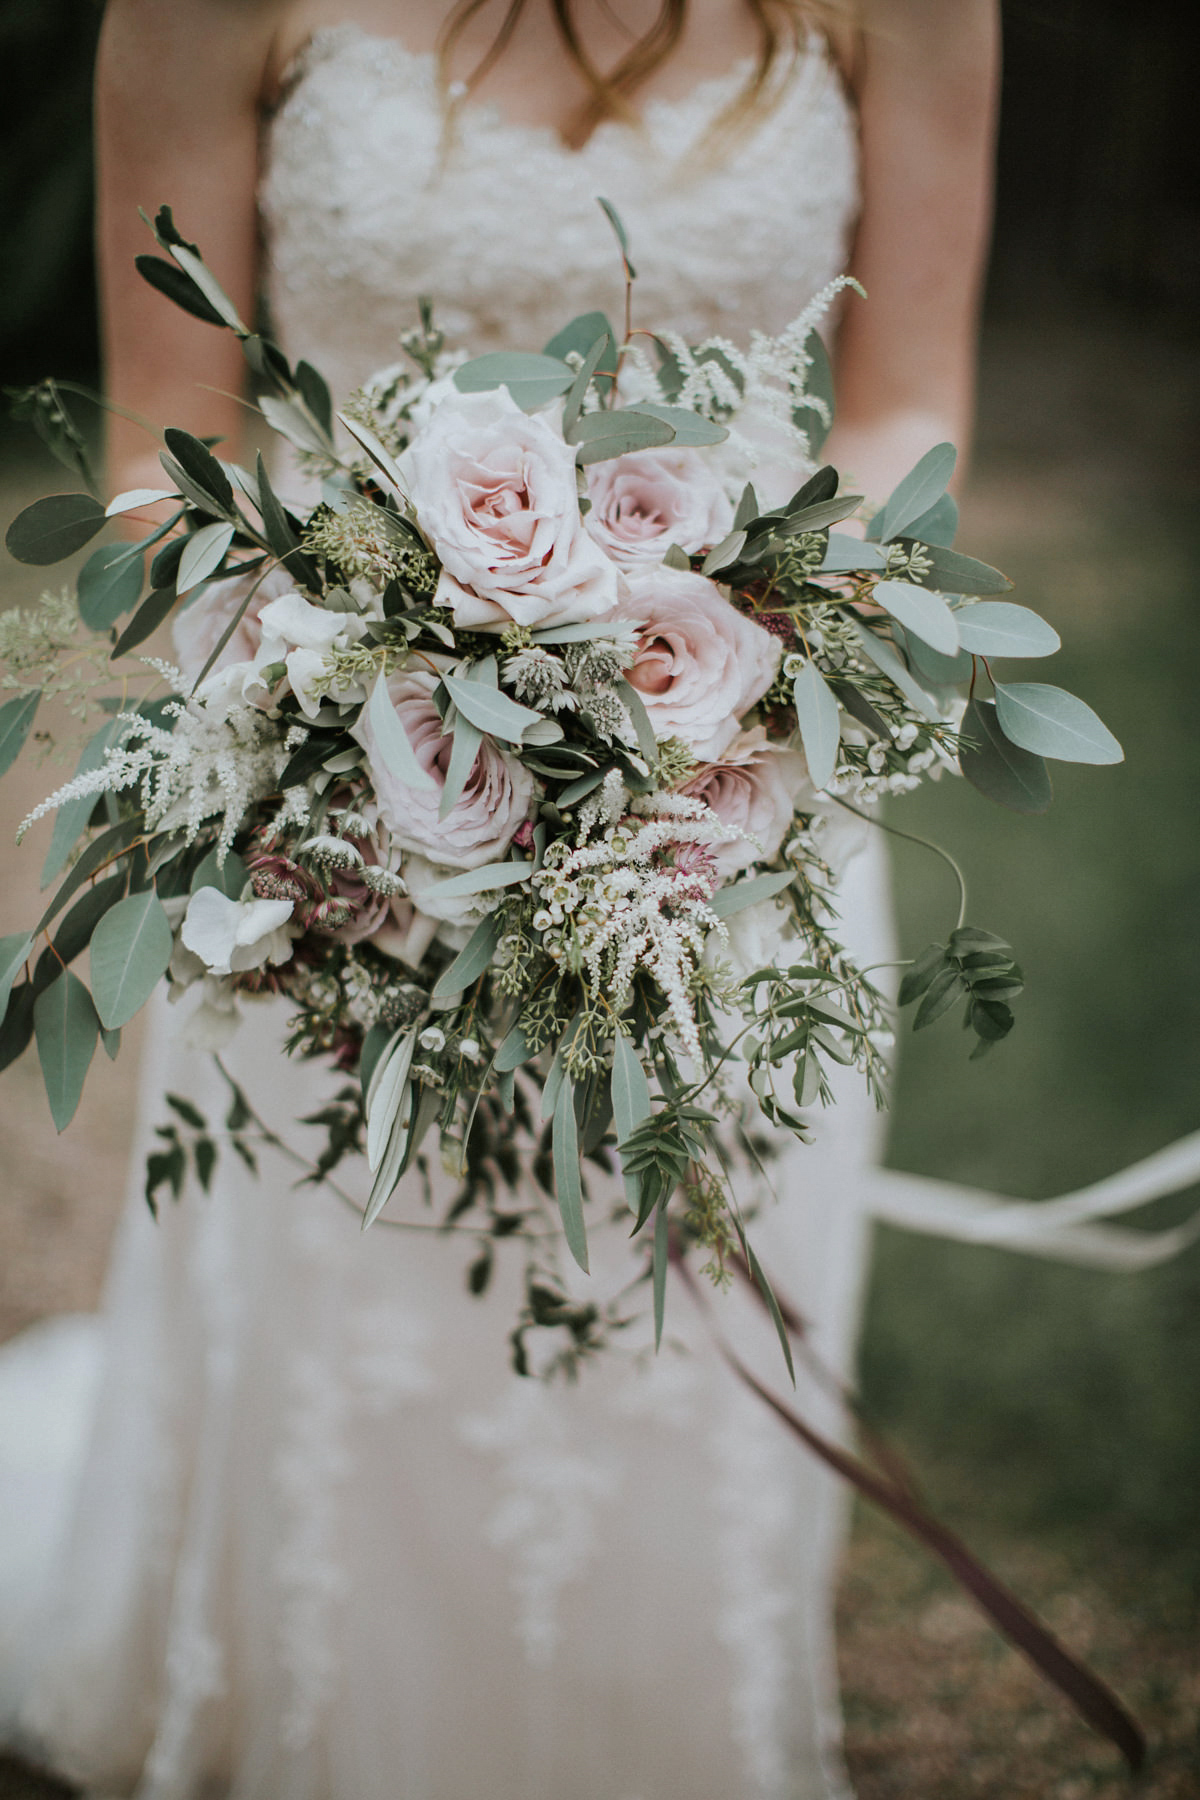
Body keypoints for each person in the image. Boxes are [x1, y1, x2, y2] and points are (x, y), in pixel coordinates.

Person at [0, 2, 999, 1795]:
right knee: (354, 1279)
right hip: (341, 799)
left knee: (675, 1309)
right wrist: (307, 720)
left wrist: (752, 695)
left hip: (738, 795)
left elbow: (914, 388)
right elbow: (165, 443)